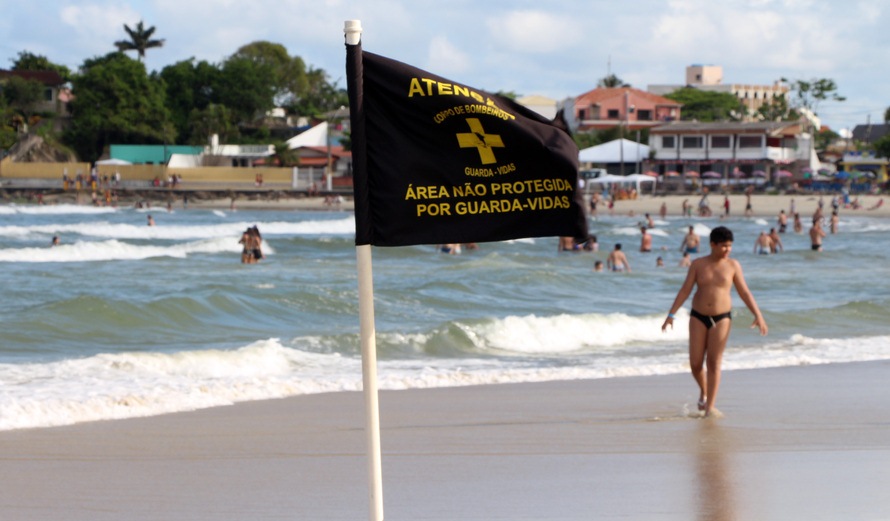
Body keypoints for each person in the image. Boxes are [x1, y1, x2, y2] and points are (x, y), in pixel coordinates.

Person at [662, 226, 767, 417]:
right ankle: (704, 390)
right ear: (713, 245)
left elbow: (744, 292)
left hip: (722, 318)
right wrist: (671, 314)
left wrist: (757, 315)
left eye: (730, 246)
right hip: (698, 316)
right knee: (695, 363)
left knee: (713, 362)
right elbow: (685, 290)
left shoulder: (733, 265)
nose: (727, 250)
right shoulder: (698, 264)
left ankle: (709, 407)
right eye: (724, 246)